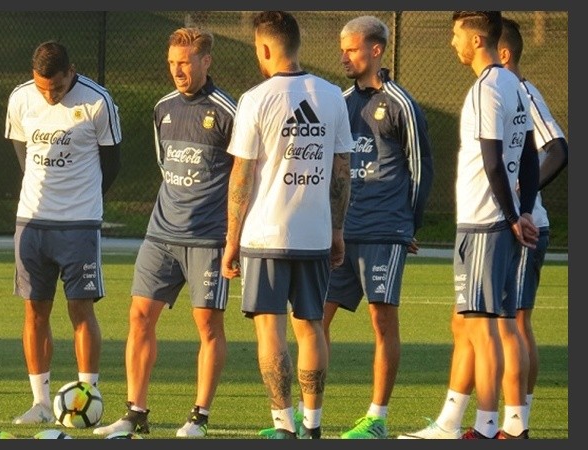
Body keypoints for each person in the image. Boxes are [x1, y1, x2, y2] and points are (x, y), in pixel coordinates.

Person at [398, 16, 567, 440]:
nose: (452, 41)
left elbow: (495, 160)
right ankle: (484, 423)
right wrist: (523, 210)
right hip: (501, 223)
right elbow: (529, 156)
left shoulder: (487, 88)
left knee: (485, 326)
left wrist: (514, 216)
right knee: (490, 321)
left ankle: (489, 426)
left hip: (483, 223)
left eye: (456, 34)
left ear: (476, 39)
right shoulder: (512, 85)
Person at [93, 27, 236, 439]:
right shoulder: (163, 108)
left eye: (185, 62)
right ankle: (135, 412)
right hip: (160, 233)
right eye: (172, 62)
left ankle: (199, 417)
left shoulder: (229, 111)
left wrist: (233, 237)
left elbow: (245, 174)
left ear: (206, 62)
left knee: (207, 325)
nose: (177, 70)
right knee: (139, 317)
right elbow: (166, 165)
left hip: (209, 238)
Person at [220, 11, 354, 439]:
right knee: (311, 325)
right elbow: (341, 172)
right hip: (314, 234)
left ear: (263, 48)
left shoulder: (256, 98)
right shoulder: (333, 95)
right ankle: (313, 426)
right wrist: (336, 230)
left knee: (270, 327)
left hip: (266, 234)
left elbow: (241, 175)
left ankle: (284, 426)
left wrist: (231, 240)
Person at [4, 40, 122, 424]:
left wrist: (81, 200)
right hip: (32, 223)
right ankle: (40, 403)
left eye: (55, 86)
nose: (48, 94)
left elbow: (112, 164)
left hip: (80, 224)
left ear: (71, 71)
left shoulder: (98, 101)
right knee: (35, 310)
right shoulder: (20, 98)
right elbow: (23, 155)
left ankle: (87, 398)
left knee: (80, 308)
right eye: (42, 87)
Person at [328, 15, 434, 439]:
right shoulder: (340, 102)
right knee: (316, 318)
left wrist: (410, 224)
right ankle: (304, 411)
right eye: (343, 49)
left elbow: (422, 169)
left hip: (384, 230)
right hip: (342, 231)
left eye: (351, 49)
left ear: (375, 50)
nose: (344, 57)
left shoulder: (401, 104)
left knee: (381, 320)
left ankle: (377, 418)